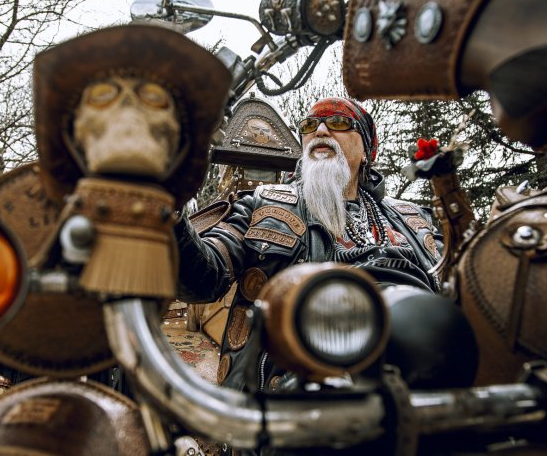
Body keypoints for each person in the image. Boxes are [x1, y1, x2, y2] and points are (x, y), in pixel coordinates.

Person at [176, 96, 443, 392]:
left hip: (420, 383)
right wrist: (171, 205)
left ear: (366, 151)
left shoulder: (413, 217)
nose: (321, 131)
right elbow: (201, 280)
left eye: (339, 122)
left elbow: (458, 292)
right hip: (291, 396)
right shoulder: (261, 203)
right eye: (310, 125)